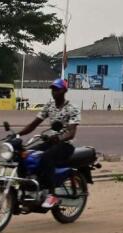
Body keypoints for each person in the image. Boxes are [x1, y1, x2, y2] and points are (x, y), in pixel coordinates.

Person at [18, 78, 81, 209]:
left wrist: (60, 138)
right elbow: (34, 124)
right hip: (51, 142)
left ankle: (52, 195)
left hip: (65, 144)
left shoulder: (72, 108)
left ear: (64, 90)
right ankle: (27, 189)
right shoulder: (49, 106)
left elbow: (71, 132)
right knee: (24, 155)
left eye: (57, 89)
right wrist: (18, 134)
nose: (54, 91)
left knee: (46, 157)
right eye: (52, 89)